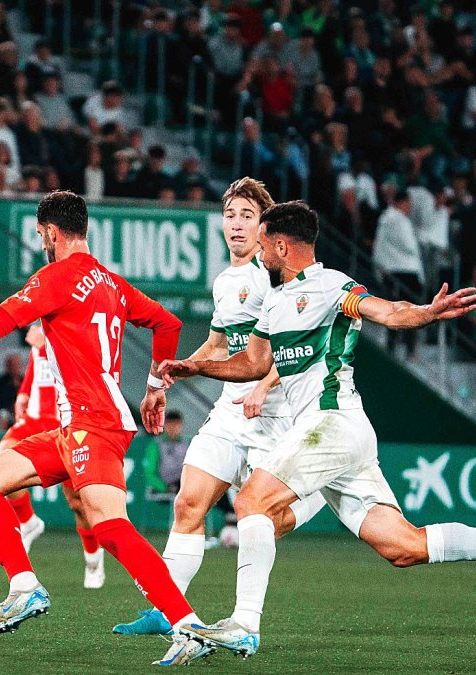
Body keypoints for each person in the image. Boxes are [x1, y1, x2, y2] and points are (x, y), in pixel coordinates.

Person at [159, 200, 476, 663]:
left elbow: (385, 310)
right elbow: (253, 363)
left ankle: (245, 624)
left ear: (282, 245)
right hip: (333, 435)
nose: (258, 252)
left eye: (264, 243)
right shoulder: (275, 301)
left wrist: (424, 312)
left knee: (250, 502)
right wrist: (193, 366)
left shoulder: (330, 286)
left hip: (333, 422)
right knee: (403, 546)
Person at [0, 191, 211, 661]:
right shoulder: (110, 282)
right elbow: (168, 323)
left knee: (111, 527)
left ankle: (188, 626)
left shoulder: (57, 277)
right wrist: (156, 386)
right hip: (75, 425)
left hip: (92, 424)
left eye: (40, 236)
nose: (42, 243)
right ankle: (24, 585)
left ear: (51, 233)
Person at [114, 178, 325, 637]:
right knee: (189, 501)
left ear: (264, 226)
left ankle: (313, 502)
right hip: (231, 412)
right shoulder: (226, 281)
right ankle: (166, 609)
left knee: (261, 518)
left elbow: (292, 346)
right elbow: (216, 342)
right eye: (230, 215)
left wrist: (264, 387)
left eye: (248, 216)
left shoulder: (275, 278)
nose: (236, 224)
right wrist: (178, 369)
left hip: (275, 415)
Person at [0, 322, 105, 589]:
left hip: (66, 422)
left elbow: (75, 359)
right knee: (2, 465)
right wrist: (24, 393)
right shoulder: (40, 325)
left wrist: (44, 344)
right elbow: (38, 365)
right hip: (34, 418)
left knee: (78, 502)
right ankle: (28, 521)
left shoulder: (79, 324)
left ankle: (93, 559)